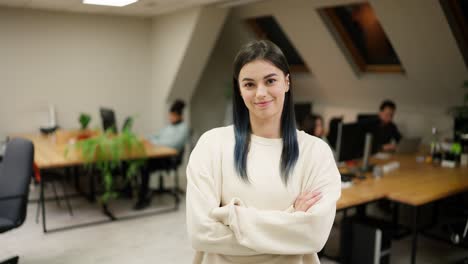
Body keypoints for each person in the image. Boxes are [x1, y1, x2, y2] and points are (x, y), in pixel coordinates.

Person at [186, 40, 341, 264]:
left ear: (287, 82)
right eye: (249, 84)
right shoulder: (212, 145)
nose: (260, 93)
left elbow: (313, 236)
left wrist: (233, 217)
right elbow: (201, 234)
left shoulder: (316, 153)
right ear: (239, 89)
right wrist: (291, 219)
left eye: (270, 81)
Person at [134, 99, 189, 210]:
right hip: (160, 154)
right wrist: (146, 140)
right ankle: (136, 193)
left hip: (170, 158)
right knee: (138, 162)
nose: (170, 118)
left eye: (172, 116)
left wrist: (153, 143)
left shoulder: (184, 128)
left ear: (179, 116)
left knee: (144, 166)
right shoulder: (169, 127)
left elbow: (173, 144)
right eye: (170, 115)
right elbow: (157, 136)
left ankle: (142, 199)